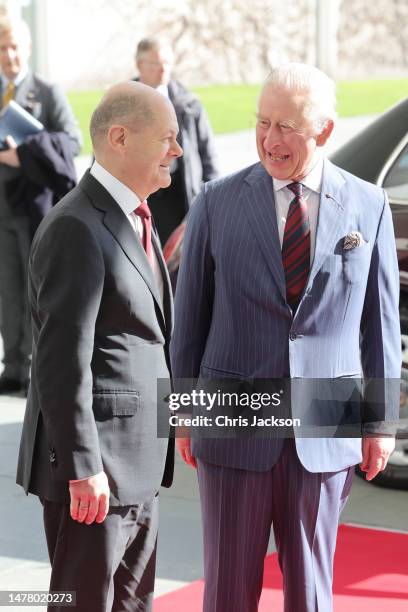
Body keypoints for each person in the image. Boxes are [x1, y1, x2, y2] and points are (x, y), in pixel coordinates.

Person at [170, 63, 401, 612]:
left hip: (327, 420)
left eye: (287, 127)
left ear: (323, 130)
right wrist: (184, 411)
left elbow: (381, 324)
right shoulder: (215, 201)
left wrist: (381, 423)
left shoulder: (368, 206)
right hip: (232, 415)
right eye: (262, 123)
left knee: (310, 593)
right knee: (227, 588)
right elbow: (191, 316)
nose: (270, 140)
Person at [17, 81, 181, 612]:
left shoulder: (136, 216)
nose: (177, 151)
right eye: (167, 138)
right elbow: (61, 363)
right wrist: (83, 468)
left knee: (134, 604)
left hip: (138, 462)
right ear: (120, 138)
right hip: (97, 476)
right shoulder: (76, 226)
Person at [0, 16, 81, 395]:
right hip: (2, 210)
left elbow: (72, 141)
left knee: (37, 292)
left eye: (15, 47)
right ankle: (12, 366)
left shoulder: (47, 92)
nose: (9, 55)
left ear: (27, 48)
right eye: (2, 48)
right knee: (8, 289)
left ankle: (35, 367)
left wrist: (25, 155)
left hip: (37, 211)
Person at [135, 36, 219, 245]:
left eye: (167, 63)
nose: (163, 69)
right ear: (139, 65)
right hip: (139, 197)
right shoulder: (122, 103)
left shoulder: (188, 103)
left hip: (180, 198)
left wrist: (213, 201)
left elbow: (208, 155)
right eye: (156, 63)